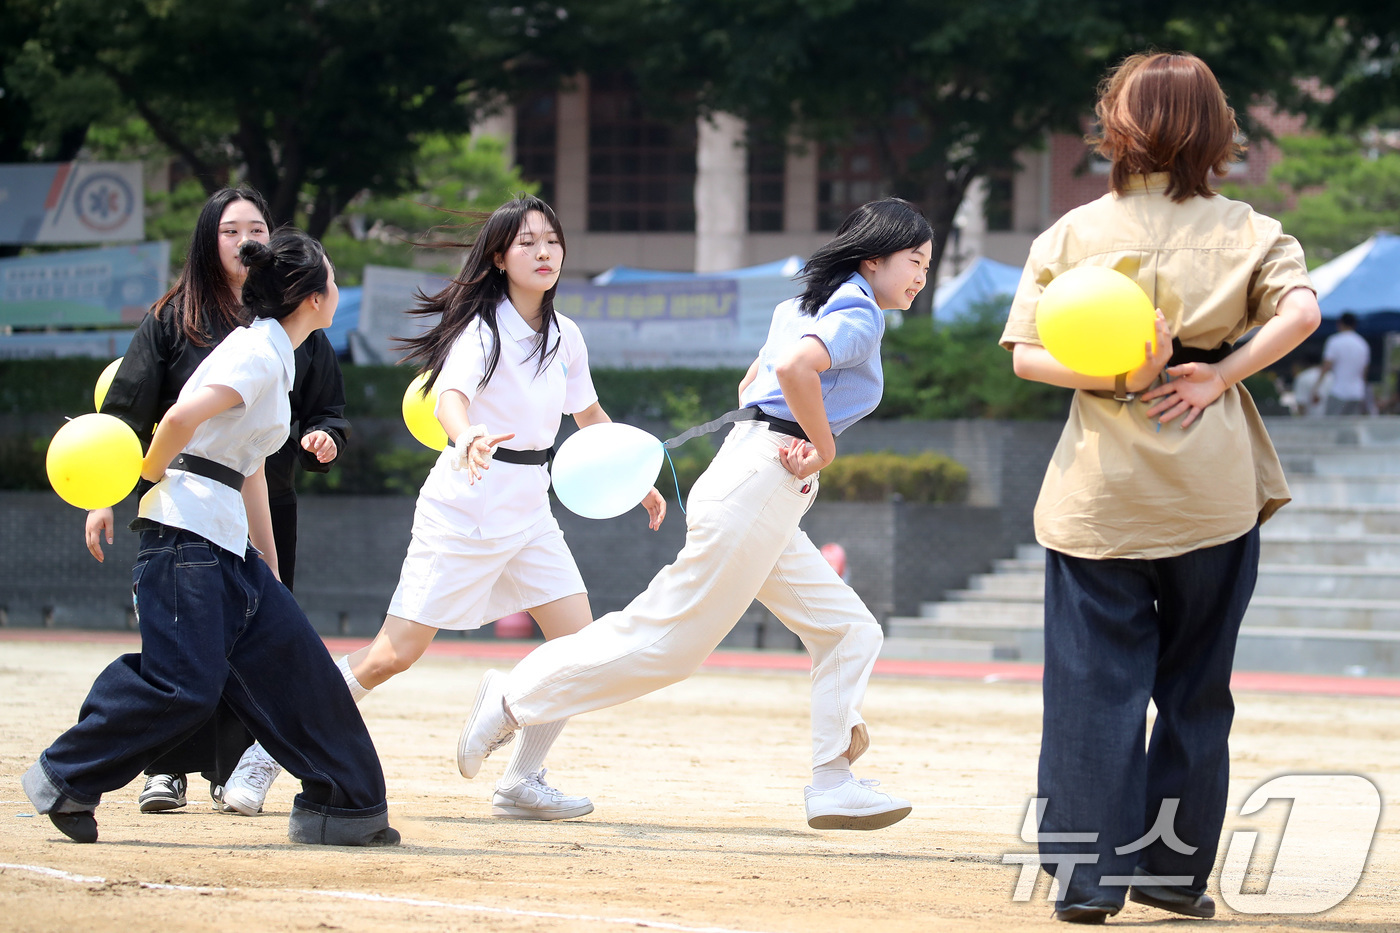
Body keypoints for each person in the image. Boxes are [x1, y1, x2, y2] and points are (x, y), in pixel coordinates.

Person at [456, 197, 931, 831]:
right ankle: (513, 698)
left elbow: (755, 382)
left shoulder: (804, 304)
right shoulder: (859, 312)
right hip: (760, 485)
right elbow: (792, 370)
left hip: (758, 479)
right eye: (915, 260)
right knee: (667, 644)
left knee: (849, 631)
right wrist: (822, 442)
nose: (921, 275)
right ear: (873, 261)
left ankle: (832, 782)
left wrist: (788, 427)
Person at [1000, 52, 1320, 923]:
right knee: (1194, 689)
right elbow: (1302, 312)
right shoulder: (1249, 228)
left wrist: (1113, 377)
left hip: (1100, 497)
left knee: (1087, 692)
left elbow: (1028, 356)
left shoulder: (1070, 235)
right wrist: (1216, 377)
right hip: (1210, 490)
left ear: (1116, 129)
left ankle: (1083, 881)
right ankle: (1174, 875)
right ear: (1216, 131)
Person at [226, 194, 666, 821]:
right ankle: (266, 752)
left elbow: (589, 416)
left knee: (579, 647)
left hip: (530, 510)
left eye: (552, 241)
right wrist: (468, 438)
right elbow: (448, 401)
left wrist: (631, 474)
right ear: (498, 256)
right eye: (527, 243)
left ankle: (521, 781)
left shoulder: (567, 336)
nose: (544, 252)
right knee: (391, 656)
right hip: (464, 506)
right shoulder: (481, 328)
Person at [25, 230, 399, 847]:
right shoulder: (254, 355)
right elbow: (176, 419)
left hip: (227, 544)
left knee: (303, 671)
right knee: (184, 687)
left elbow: (248, 467)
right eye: (331, 280)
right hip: (185, 537)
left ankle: (345, 805)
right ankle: (65, 775)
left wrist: (270, 570)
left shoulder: (275, 357)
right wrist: (140, 482)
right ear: (310, 298)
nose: (336, 289)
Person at [84, 186, 350, 816]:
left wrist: (324, 437)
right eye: (230, 231)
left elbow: (323, 415)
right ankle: (163, 768)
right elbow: (134, 412)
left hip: (261, 501)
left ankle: (234, 767)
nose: (245, 241)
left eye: (255, 229)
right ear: (208, 241)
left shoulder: (300, 333)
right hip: (189, 503)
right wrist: (113, 489)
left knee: (255, 645)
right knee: (183, 648)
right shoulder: (180, 320)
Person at [1315, 312, 1370, 415]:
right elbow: (1364, 373)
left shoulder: (1334, 341)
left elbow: (1326, 366)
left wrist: (1317, 388)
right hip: (1357, 393)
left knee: (1332, 426)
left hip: (1338, 391)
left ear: (1340, 323)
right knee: (1351, 428)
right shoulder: (1363, 344)